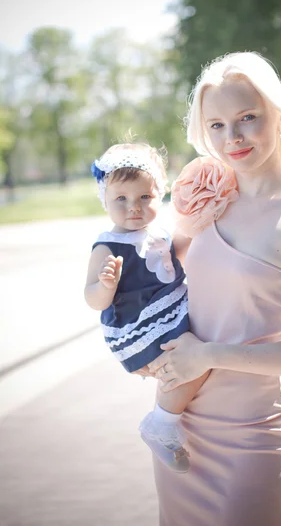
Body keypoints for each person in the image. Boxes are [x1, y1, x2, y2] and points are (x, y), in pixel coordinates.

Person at [148, 52, 281, 526]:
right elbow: (169, 285)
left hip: (252, 440)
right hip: (179, 430)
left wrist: (207, 355)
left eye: (247, 118)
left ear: (277, 116)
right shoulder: (209, 198)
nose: (231, 138)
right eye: (215, 125)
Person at [84, 141, 212, 473]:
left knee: (199, 350)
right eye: (121, 200)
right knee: (190, 361)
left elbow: (177, 253)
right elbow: (91, 298)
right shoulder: (108, 245)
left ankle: (169, 417)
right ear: (105, 201)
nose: (133, 208)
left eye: (144, 197)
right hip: (138, 324)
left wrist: (200, 223)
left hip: (167, 309)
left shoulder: (156, 233)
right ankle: (162, 423)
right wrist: (105, 286)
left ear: (159, 195)